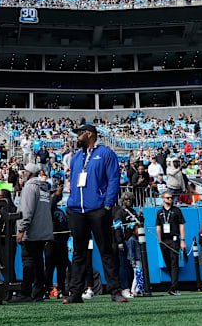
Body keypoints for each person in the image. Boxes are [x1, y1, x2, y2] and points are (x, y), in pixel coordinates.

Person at [63, 124, 125, 304]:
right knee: (78, 253)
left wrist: (108, 204)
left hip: (98, 209)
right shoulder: (76, 157)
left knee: (107, 250)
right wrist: (71, 201)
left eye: (79, 134)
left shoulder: (106, 153)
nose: (77, 137)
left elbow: (114, 179)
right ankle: (75, 293)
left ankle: (116, 291)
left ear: (89, 134)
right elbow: (73, 179)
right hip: (76, 210)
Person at [14, 163, 53, 303]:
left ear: (30, 173)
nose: (22, 174)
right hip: (44, 231)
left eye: (24, 171)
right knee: (38, 262)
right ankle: (37, 294)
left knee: (28, 262)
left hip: (32, 232)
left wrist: (21, 230)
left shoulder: (30, 187)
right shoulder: (44, 188)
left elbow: (27, 210)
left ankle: (25, 293)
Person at [155, 190, 186, 296]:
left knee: (174, 263)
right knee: (168, 263)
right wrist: (159, 239)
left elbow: (181, 225)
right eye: (168, 198)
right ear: (163, 199)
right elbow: (158, 227)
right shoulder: (159, 212)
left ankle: (174, 287)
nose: (170, 199)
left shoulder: (177, 211)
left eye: (171, 198)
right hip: (163, 240)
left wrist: (182, 240)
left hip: (174, 240)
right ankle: (173, 284)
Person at [113, 191, 142, 298]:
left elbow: (139, 225)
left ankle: (136, 288)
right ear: (122, 201)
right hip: (124, 241)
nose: (128, 201)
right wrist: (119, 242)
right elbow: (117, 228)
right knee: (124, 265)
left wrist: (140, 217)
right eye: (126, 199)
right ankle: (125, 288)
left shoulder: (134, 212)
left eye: (130, 199)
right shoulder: (119, 212)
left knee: (135, 266)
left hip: (135, 240)